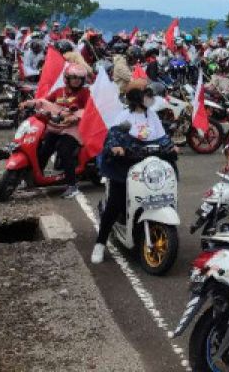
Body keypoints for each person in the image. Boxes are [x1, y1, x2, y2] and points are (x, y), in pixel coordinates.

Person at [91, 79, 171, 263]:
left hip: (150, 165)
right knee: (116, 203)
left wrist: (170, 146)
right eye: (147, 95)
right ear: (136, 97)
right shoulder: (123, 116)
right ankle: (100, 243)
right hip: (126, 165)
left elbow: (162, 137)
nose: (151, 99)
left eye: (151, 95)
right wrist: (116, 148)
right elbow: (113, 136)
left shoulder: (152, 116)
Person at [40, 64, 91, 198]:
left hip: (74, 129)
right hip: (57, 127)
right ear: (67, 78)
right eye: (73, 77)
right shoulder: (58, 91)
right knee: (45, 147)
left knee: (64, 150)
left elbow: (89, 110)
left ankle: (72, 186)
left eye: (80, 78)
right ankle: (36, 176)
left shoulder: (85, 93)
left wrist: (75, 116)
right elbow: (44, 102)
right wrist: (30, 104)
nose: (77, 80)